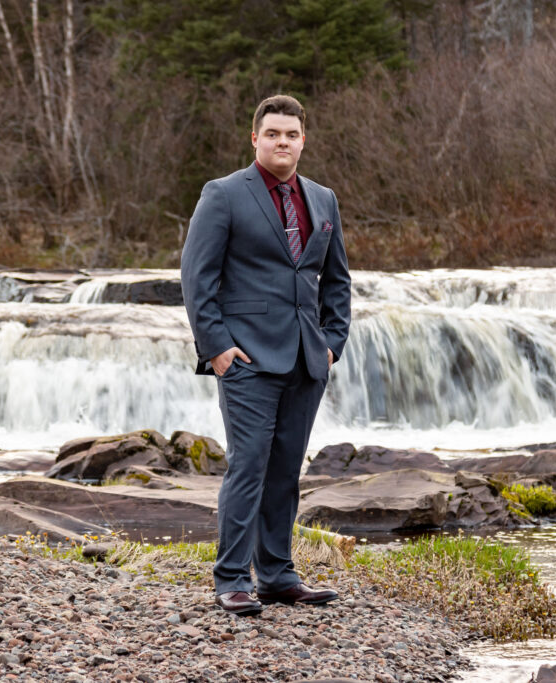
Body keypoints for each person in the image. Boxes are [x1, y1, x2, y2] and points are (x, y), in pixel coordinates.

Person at [180, 94, 351, 616]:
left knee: (285, 471)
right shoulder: (224, 194)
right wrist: (218, 350)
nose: (283, 142)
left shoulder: (323, 200)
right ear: (255, 138)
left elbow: (336, 281)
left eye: (291, 134)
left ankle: (277, 576)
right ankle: (232, 578)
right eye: (273, 133)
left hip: (306, 359)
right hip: (247, 359)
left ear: (304, 139)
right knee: (249, 466)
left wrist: (331, 345)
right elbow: (197, 276)